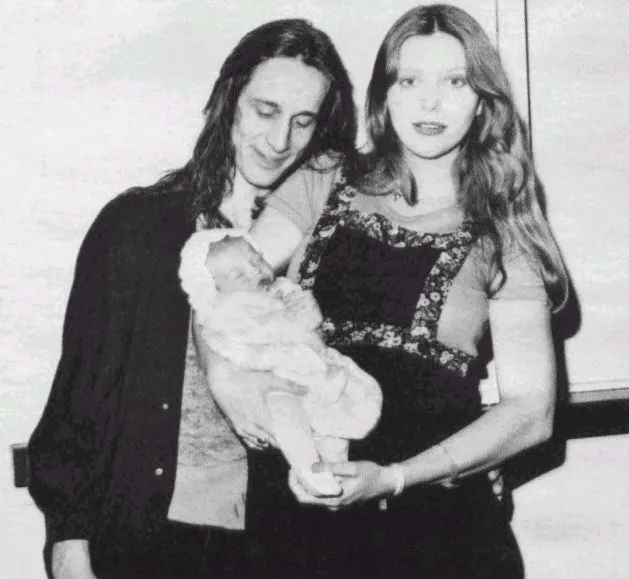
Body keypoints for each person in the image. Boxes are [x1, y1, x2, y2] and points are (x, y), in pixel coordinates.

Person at [242, 5, 568, 578]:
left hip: (438, 529)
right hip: (299, 516)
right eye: (410, 80)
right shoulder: (323, 177)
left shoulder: (504, 229)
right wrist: (248, 405)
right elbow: (225, 286)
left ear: (483, 100)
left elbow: (532, 411)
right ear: (384, 95)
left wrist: (393, 478)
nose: (430, 103)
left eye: (456, 82)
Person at [27, 18, 356, 579]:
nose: (280, 141)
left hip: (284, 547)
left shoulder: (331, 242)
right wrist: (69, 541)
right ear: (229, 100)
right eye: (265, 111)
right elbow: (79, 400)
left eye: (303, 121)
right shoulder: (135, 227)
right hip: (147, 543)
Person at [179, 229, 382, 496]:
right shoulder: (224, 311)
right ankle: (308, 470)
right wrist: (260, 353)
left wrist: (306, 312)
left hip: (313, 369)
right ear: (215, 289)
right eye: (238, 275)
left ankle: (336, 468)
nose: (255, 271)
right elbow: (228, 346)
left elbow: (311, 323)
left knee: (335, 423)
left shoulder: (283, 289)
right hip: (274, 378)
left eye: (256, 260)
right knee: (289, 420)